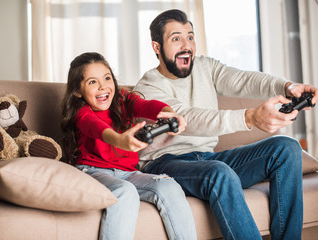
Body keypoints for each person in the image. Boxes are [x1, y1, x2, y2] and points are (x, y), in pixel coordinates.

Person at [134, 9, 318, 240]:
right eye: (176, 38)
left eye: (190, 37)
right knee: (220, 172)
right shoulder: (146, 89)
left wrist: (288, 87)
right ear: (157, 47)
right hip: (165, 164)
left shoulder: (205, 67)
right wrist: (249, 117)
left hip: (207, 158)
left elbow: (243, 80)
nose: (186, 45)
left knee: (287, 148)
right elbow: (188, 118)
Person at [61, 52, 197, 240]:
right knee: (125, 192)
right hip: (92, 171)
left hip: (128, 173)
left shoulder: (124, 100)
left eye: (107, 78)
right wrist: (120, 140)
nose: (102, 86)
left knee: (169, 186)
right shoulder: (81, 113)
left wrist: (169, 114)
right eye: (92, 82)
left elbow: (146, 105)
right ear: (77, 91)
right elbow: (98, 128)